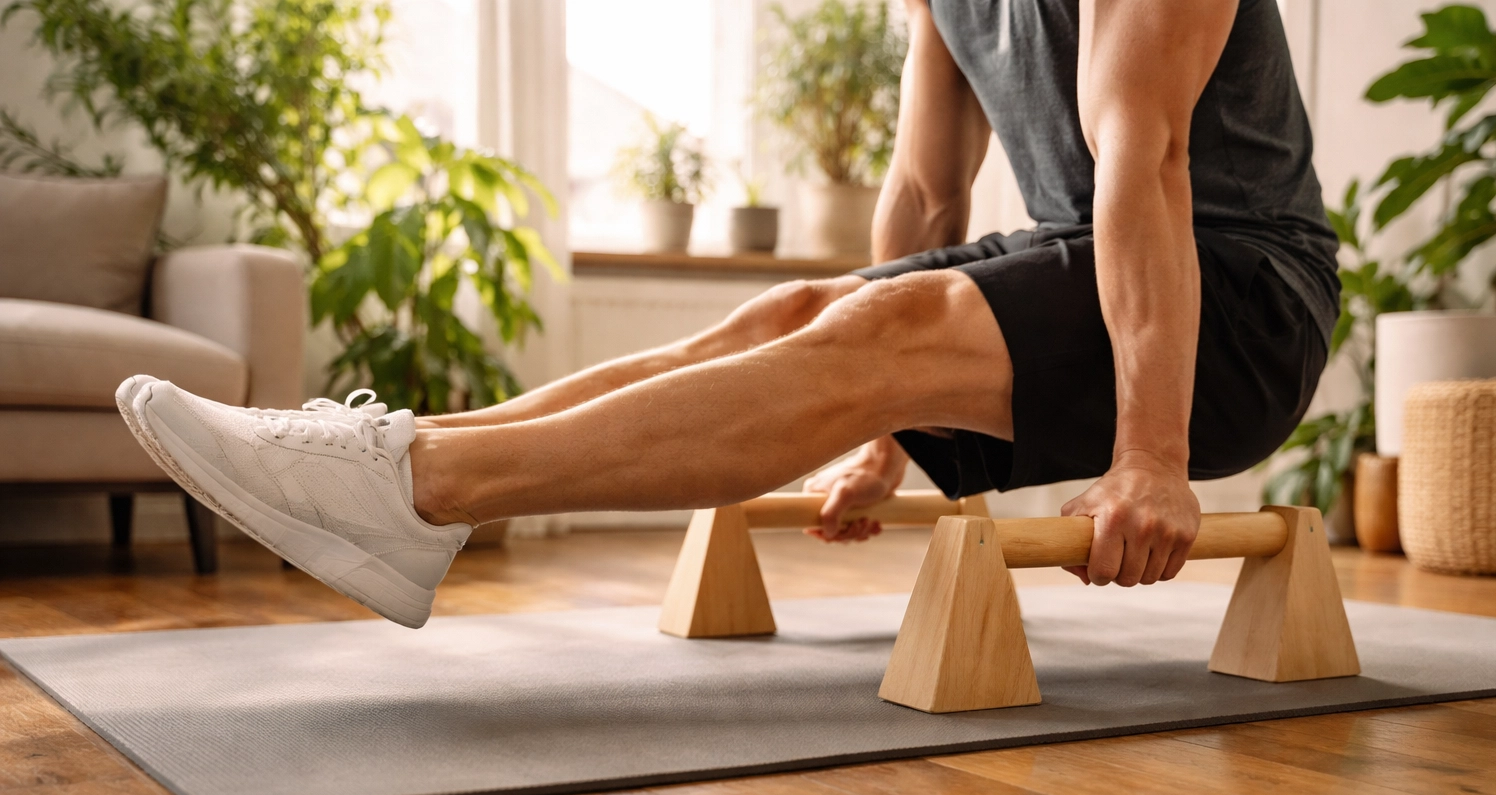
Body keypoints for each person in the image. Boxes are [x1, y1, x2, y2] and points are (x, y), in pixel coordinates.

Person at [117, 0, 1337, 629]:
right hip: (1090, 263)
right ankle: (409, 467)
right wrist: (883, 429)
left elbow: (1151, 160)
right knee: (809, 308)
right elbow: (922, 191)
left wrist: (1155, 457)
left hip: (1238, 303)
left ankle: (419, 484)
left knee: (874, 335)